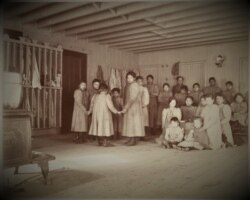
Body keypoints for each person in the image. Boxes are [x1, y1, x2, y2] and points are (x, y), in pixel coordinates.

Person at [122, 71, 145, 146]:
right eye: (127, 77)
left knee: (132, 123)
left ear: (134, 78)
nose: (128, 79)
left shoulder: (133, 85)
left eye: (130, 77)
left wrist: (126, 107)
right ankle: (131, 139)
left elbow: (132, 98)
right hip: (132, 106)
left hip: (133, 107)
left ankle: (133, 140)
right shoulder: (131, 85)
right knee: (132, 123)